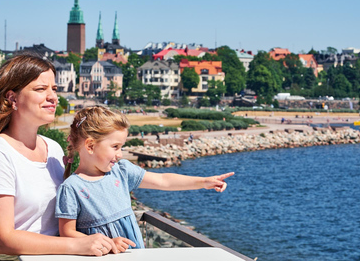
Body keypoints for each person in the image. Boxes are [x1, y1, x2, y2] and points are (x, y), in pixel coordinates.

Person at [0, 55, 118, 261]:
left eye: (55, 89)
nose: (53, 97)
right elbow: (2, 240)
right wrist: (78, 244)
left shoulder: (52, 148)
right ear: (12, 98)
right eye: (41, 89)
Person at [56, 106, 234, 252]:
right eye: (115, 146)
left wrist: (203, 182)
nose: (120, 154)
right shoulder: (72, 188)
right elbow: (67, 232)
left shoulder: (121, 171)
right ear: (90, 145)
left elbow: (163, 180)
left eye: (122, 147)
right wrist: (108, 244)